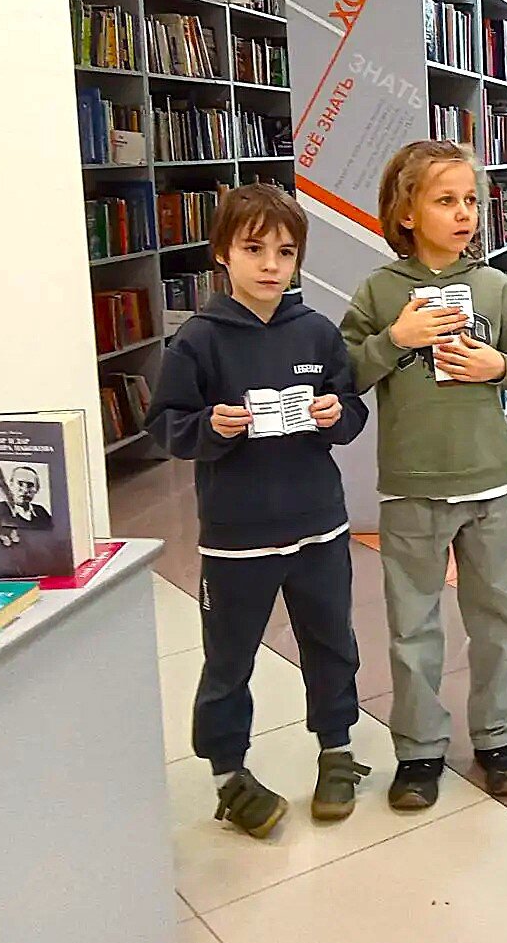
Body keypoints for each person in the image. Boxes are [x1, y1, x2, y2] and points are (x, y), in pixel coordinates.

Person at [145, 183, 371, 839]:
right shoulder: (197, 342)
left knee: (331, 644)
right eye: (254, 249)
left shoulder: (318, 331)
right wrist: (209, 427)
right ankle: (228, 775)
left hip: (319, 526)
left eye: (285, 251)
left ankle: (337, 750)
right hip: (236, 537)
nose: (271, 265)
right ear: (223, 253)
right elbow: (165, 426)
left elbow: (351, 409)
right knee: (229, 659)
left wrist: (335, 414)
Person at [341, 140, 507, 808]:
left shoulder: (493, 286)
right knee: (413, 627)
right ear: (407, 213)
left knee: (499, 619)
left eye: (470, 201)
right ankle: (419, 750)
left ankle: (499, 737)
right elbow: (345, 374)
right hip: (411, 487)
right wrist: (395, 340)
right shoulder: (379, 291)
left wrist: (500, 367)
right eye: (445, 200)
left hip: (488, 483)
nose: (464, 214)